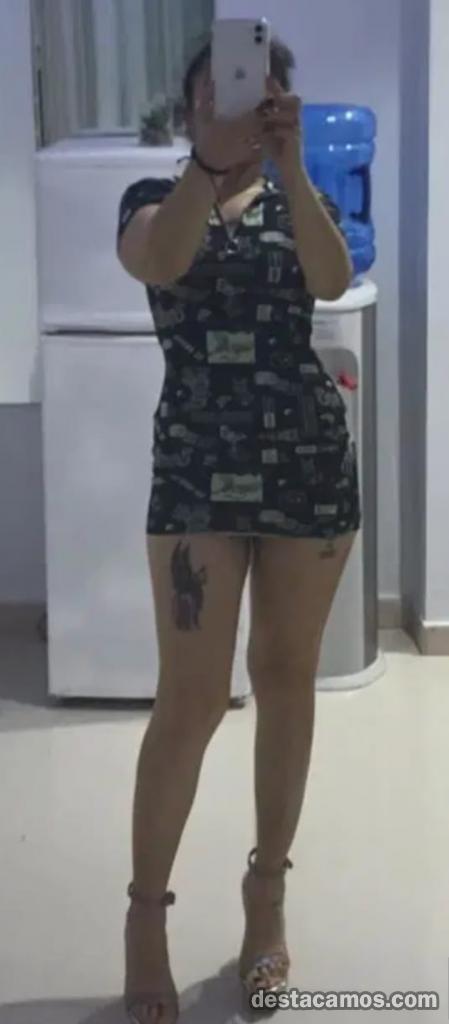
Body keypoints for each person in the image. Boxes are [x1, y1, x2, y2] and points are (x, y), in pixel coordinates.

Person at [117, 33, 360, 1024]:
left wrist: (289, 169)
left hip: (305, 464)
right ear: (191, 109)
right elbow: (160, 260)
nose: (241, 106)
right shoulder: (151, 197)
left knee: (286, 679)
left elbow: (330, 281)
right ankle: (145, 916)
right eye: (219, 94)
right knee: (190, 700)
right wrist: (209, 168)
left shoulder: (302, 195)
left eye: (262, 95)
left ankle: (267, 895)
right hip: (194, 475)